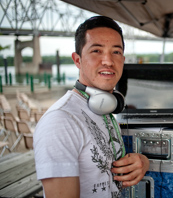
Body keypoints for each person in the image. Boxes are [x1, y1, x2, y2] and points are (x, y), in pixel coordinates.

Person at [33, 16, 149, 198]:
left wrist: (142, 161)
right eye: (96, 51)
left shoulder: (105, 109)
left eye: (116, 52)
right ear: (77, 60)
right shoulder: (60, 121)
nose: (108, 61)